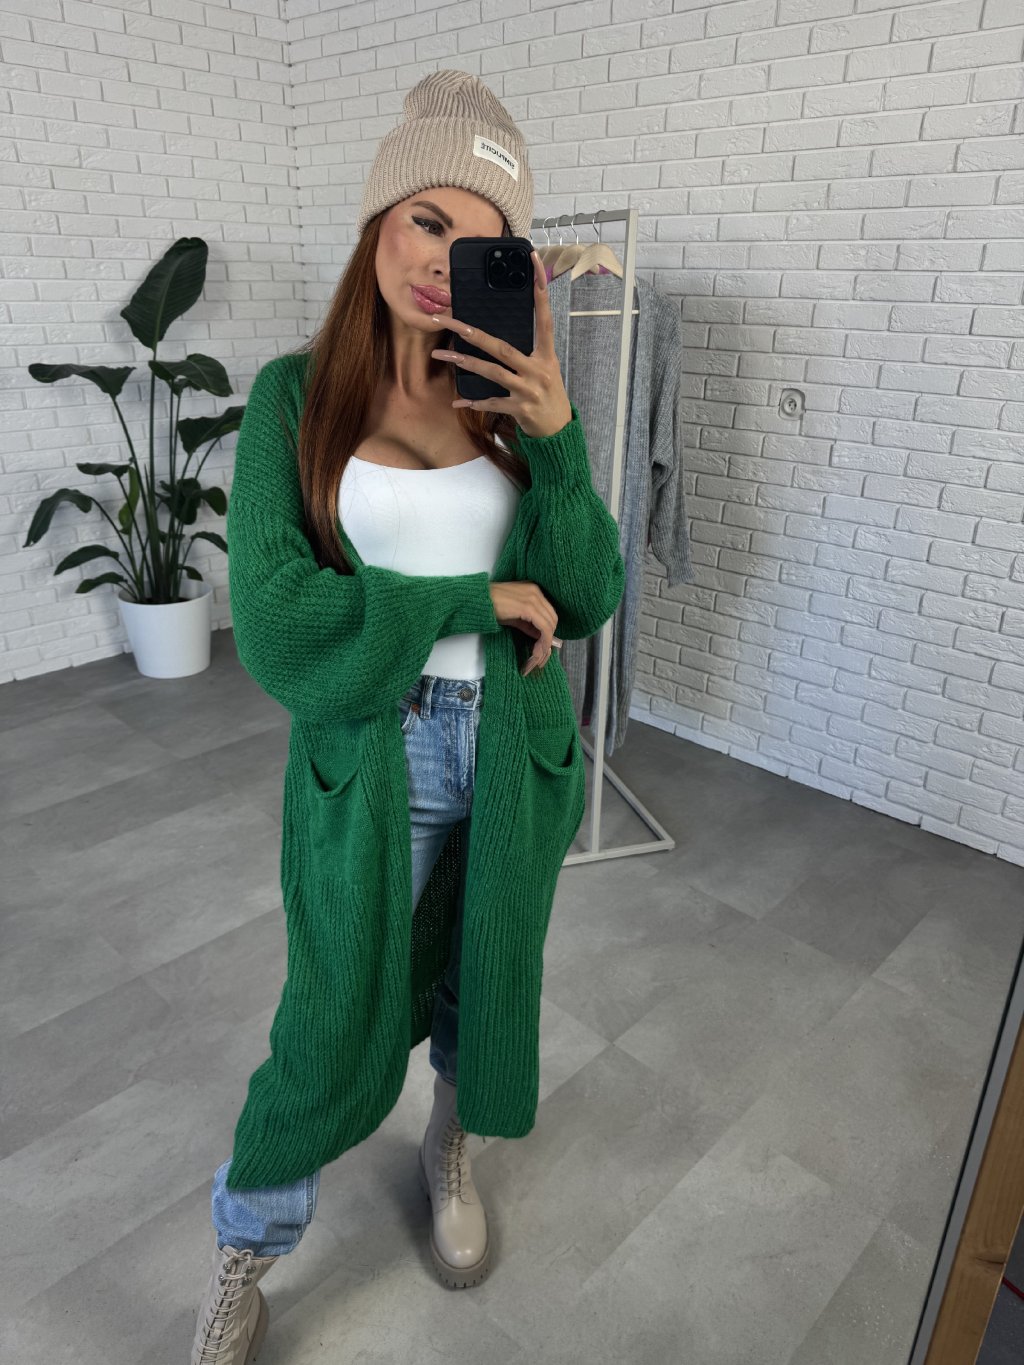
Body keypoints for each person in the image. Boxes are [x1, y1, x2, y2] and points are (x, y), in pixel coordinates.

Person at [191, 69, 625, 1364]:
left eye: (480, 240)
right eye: (426, 220)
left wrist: (558, 438)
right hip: (375, 748)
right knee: (329, 1014)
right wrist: (470, 597)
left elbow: (587, 594)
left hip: (516, 743)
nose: (443, 260)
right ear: (377, 222)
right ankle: (247, 1244)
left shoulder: (514, 398)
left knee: (483, 979)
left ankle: (449, 1147)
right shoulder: (293, 397)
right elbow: (277, 622)